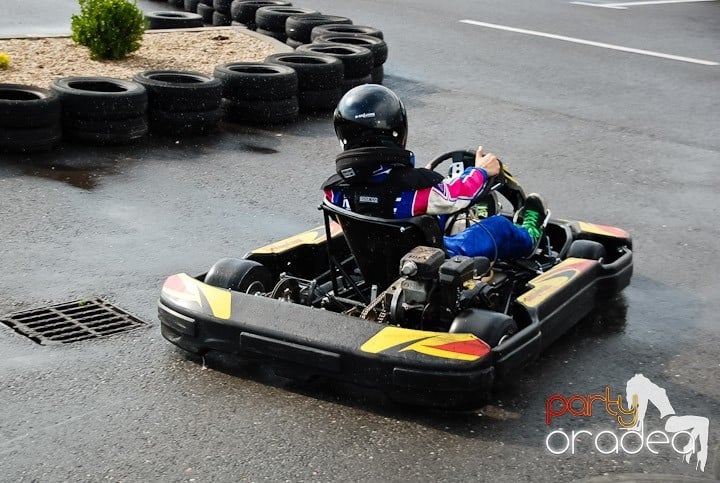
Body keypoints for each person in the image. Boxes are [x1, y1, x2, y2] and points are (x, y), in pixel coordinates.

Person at [322, 84, 549, 261]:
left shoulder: (334, 192)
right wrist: (480, 171)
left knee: (429, 217)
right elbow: (456, 196)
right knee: (498, 227)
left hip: (368, 258)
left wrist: (416, 175)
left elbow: (375, 193)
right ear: (397, 131)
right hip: (427, 262)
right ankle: (530, 235)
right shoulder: (415, 193)